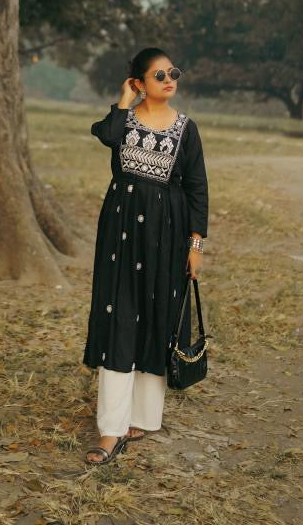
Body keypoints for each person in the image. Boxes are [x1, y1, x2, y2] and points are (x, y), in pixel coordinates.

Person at [82, 47, 209, 465]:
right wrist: (123, 101)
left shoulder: (186, 129)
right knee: (120, 316)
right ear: (138, 83)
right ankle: (110, 429)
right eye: (158, 75)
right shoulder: (124, 121)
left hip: (166, 236)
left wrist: (195, 246)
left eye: (174, 72)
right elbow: (106, 135)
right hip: (121, 233)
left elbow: (196, 190)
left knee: (156, 314)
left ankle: (143, 416)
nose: (170, 79)